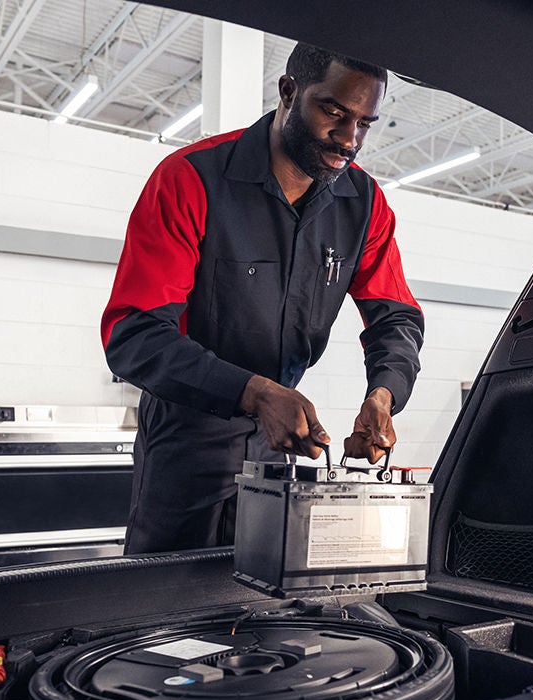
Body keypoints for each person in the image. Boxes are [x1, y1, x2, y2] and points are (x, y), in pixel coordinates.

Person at [101, 43, 424, 554]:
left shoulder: (365, 204)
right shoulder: (190, 179)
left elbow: (395, 318)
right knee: (164, 602)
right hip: (187, 432)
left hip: (284, 440)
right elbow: (133, 333)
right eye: (334, 113)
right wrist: (255, 393)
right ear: (289, 92)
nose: (349, 138)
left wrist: (382, 396)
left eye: (365, 122)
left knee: (258, 587)